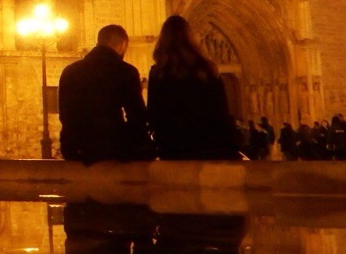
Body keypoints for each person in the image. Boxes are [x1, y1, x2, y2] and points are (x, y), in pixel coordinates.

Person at [58, 24, 154, 164]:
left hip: (74, 148)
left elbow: (64, 115)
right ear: (123, 45)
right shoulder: (125, 71)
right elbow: (137, 116)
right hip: (110, 147)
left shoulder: (70, 71)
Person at [147, 15, 238, 161]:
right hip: (208, 145)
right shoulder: (208, 70)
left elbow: (154, 114)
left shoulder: (159, 73)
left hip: (173, 148)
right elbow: (221, 110)